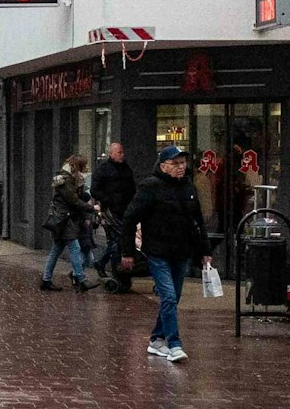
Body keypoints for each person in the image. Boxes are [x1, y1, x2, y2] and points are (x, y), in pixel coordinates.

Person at [120, 146, 215, 363]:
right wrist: (127, 252)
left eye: (183, 163)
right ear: (163, 166)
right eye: (175, 163)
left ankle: (156, 339)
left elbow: (197, 222)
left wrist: (205, 251)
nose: (181, 167)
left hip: (181, 252)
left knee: (174, 298)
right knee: (169, 297)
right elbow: (129, 219)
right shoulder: (150, 187)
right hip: (158, 252)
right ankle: (174, 343)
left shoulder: (189, 188)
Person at [41, 155, 94, 292]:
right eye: (84, 166)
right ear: (78, 166)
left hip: (63, 218)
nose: (86, 169)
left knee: (56, 250)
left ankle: (46, 280)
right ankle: (81, 279)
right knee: (75, 248)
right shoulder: (66, 180)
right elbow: (73, 200)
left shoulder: (69, 179)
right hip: (64, 218)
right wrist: (91, 208)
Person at [91, 142, 137, 290]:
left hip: (126, 210)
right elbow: (94, 190)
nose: (121, 155)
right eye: (118, 153)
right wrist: (107, 200)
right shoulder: (103, 170)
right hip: (111, 212)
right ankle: (118, 274)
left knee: (120, 241)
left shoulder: (126, 168)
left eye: (122, 152)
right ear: (111, 153)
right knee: (116, 241)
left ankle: (108, 266)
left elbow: (131, 187)